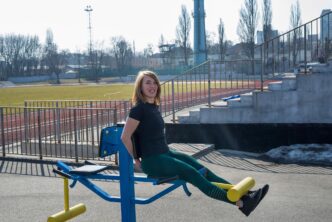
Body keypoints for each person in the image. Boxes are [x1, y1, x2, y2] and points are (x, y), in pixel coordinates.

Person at [121, 70, 268, 217]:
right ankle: (241, 203)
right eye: (147, 83)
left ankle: (244, 194)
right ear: (140, 87)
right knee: (192, 174)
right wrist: (136, 159)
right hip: (153, 160)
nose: (152, 86)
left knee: (203, 170)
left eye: (154, 83)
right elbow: (125, 137)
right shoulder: (138, 110)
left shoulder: (153, 107)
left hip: (165, 153)